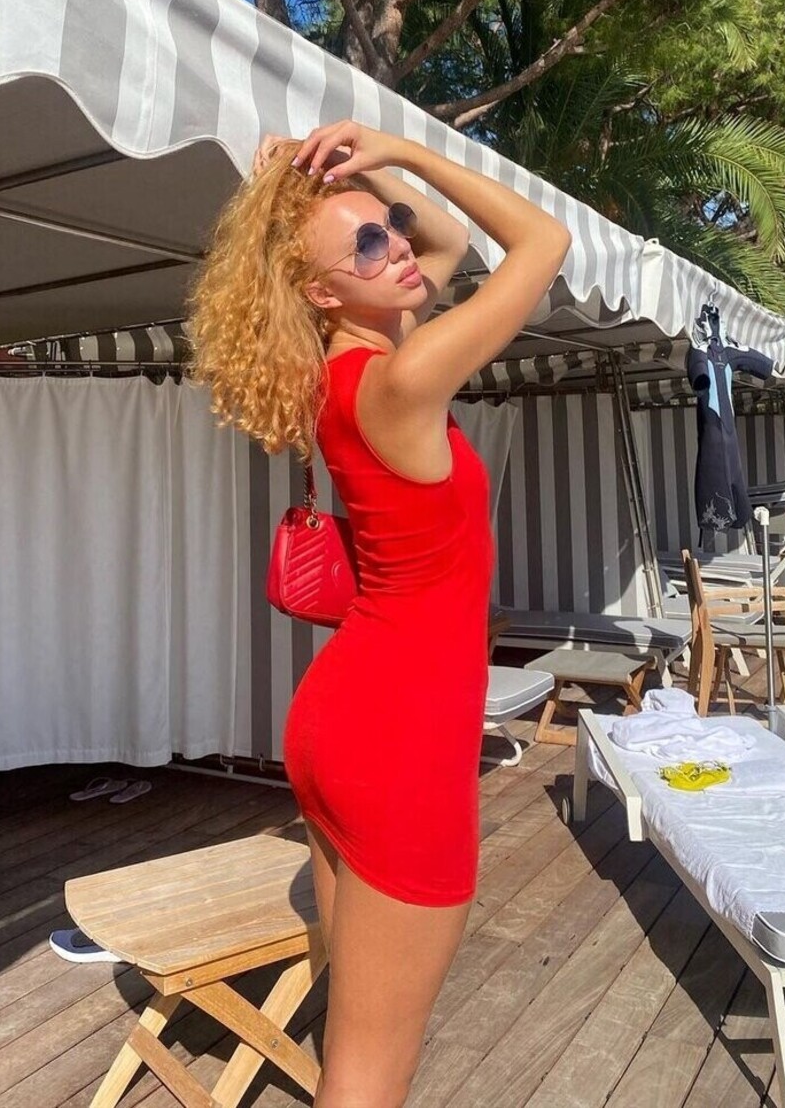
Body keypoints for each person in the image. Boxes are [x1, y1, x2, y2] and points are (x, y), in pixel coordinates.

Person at [185, 120, 571, 1107]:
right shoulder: (404, 377)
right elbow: (541, 242)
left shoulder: (344, 368)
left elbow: (447, 244)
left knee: (352, 1031)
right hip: (402, 740)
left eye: (389, 227)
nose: (396, 246)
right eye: (365, 245)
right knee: (370, 1070)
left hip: (340, 722)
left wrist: (351, 195)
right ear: (322, 293)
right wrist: (401, 153)